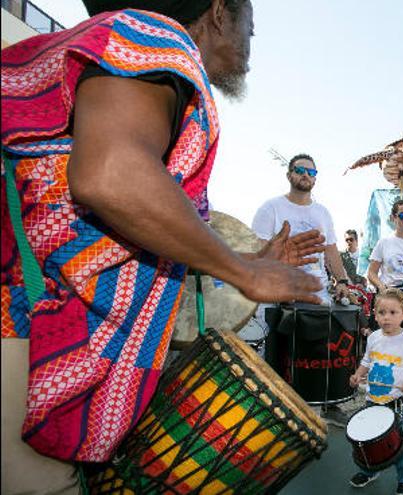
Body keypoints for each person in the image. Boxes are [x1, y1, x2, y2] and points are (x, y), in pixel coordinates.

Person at [0, 1, 325, 492]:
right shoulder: (153, 36)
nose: (250, 46)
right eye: (250, 30)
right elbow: (110, 175)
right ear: (219, 12)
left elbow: (118, 214)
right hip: (23, 321)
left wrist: (246, 258)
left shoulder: (133, 50)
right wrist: (243, 273)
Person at [348, 289, 403, 495]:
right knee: (367, 440)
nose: (387, 317)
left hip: (399, 404)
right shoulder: (374, 337)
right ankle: (369, 470)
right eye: (382, 312)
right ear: (375, 315)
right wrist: (358, 374)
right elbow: (367, 361)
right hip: (373, 400)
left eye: (393, 313)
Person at [253, 153, 351, 305]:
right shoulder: (270, 208)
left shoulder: (322, 213)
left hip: (317, 293)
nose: (306, 175)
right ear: (289, 175)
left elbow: (330, 250)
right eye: (299, 170)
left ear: (315, 179)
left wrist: (342, 281)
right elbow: (258, 251)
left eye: (311, 172)